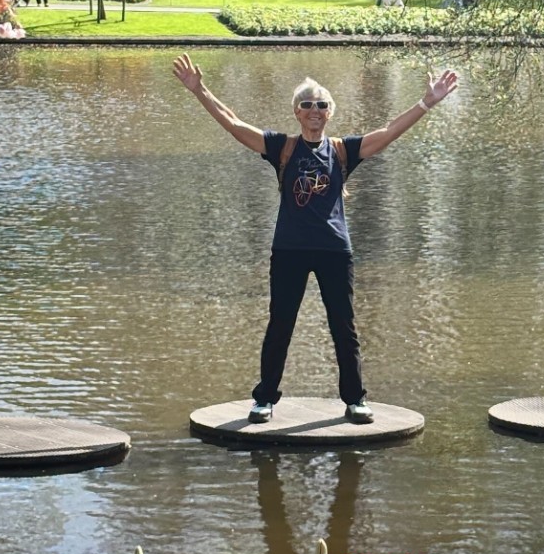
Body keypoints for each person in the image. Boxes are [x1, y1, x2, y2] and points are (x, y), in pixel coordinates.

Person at [171, 56, 458, 423]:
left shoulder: (342, 150)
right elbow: (234, 124)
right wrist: (200, 91)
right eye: (307, 104)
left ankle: (355, 400)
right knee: (280, 325)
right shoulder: (282, 148)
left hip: (334, 251)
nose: (314, 111)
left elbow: (388, 132)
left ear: (329, 112)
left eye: (321, 105)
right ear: (297, 111)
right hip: (289, 250)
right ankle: (264, 399)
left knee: (344, 327)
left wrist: (426, 102)